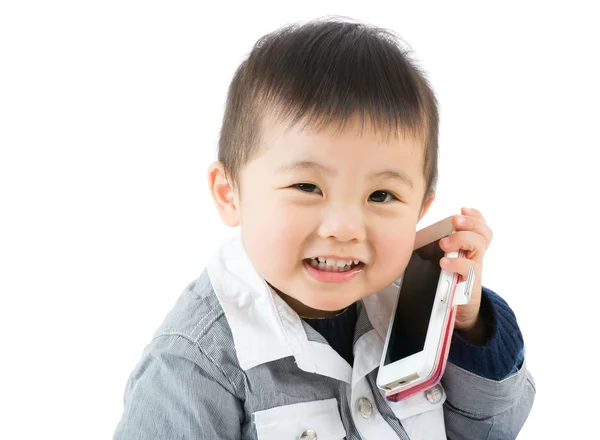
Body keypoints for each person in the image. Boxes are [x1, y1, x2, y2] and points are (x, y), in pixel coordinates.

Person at [114, 18, 535, 440]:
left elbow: (490, 432)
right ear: (230, 194)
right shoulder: (194, 363)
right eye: (306, 187)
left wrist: (470, 328)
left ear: (421, 210)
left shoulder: (413, 309)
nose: (345, 227)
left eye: (382, 196)